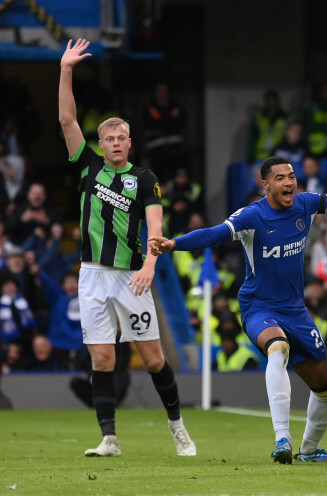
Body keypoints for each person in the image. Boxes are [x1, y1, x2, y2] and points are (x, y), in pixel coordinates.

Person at [148, 155, 327, 464]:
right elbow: (213, 234)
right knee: (278, 348)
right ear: (265, 184)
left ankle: (310, 450)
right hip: (259, 307)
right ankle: (282, 439)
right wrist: (174, 244)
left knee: (326, 386)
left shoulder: (305, 204)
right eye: (280, 178)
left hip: (295, 310)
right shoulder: (252, 216)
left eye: (291, 176)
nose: (289, 182)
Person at [58, 39, 196, 457]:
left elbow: (155, 226)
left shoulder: (145, 179)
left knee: (153, 359)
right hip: (92, 275)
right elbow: (66, 119)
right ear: (100, 145)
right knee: (102, 360)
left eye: (122, 138)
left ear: (130, 143)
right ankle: (109, 439)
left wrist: (151, 264)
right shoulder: (88, 168)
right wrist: (66, 69)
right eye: (110, 138)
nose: (116, 143)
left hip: (131, 276)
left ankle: (178, 427)